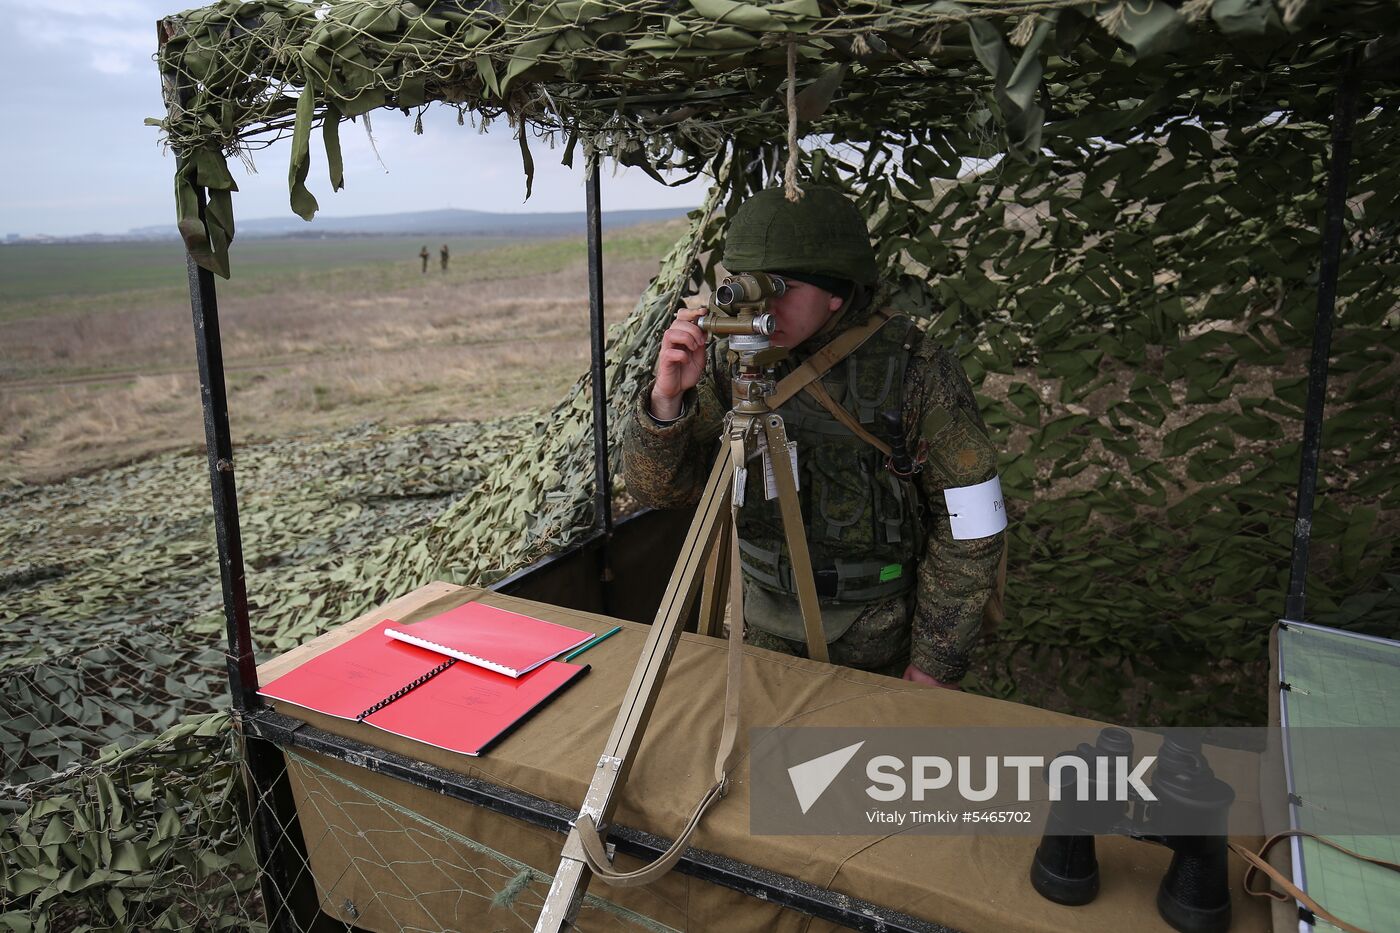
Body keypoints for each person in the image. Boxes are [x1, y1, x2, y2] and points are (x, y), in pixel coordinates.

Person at [621, 185, 1005, 689]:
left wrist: (937, 658)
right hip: (757, 621)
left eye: (782, 287)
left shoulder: (914, 369)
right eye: (746, 285)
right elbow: (660, 491)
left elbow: (972, 521)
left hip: (875, 635)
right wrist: (666, 402)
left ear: (836, 292)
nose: (763, 308)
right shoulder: (728, 360)